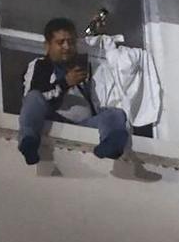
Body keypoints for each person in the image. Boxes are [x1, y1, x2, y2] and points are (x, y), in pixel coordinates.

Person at [17, 18, 128, 165]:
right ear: (47, 46)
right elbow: (33, 99)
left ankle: (111, 145)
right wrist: (65, 84)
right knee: (33, 98)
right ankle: (29, 142)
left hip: (84, 126)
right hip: (53, 120)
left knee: (116, 113)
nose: (66, 47)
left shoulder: (84, 68)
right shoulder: (40, 65)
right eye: (60, 42)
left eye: (71, 42)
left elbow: (96, 103)